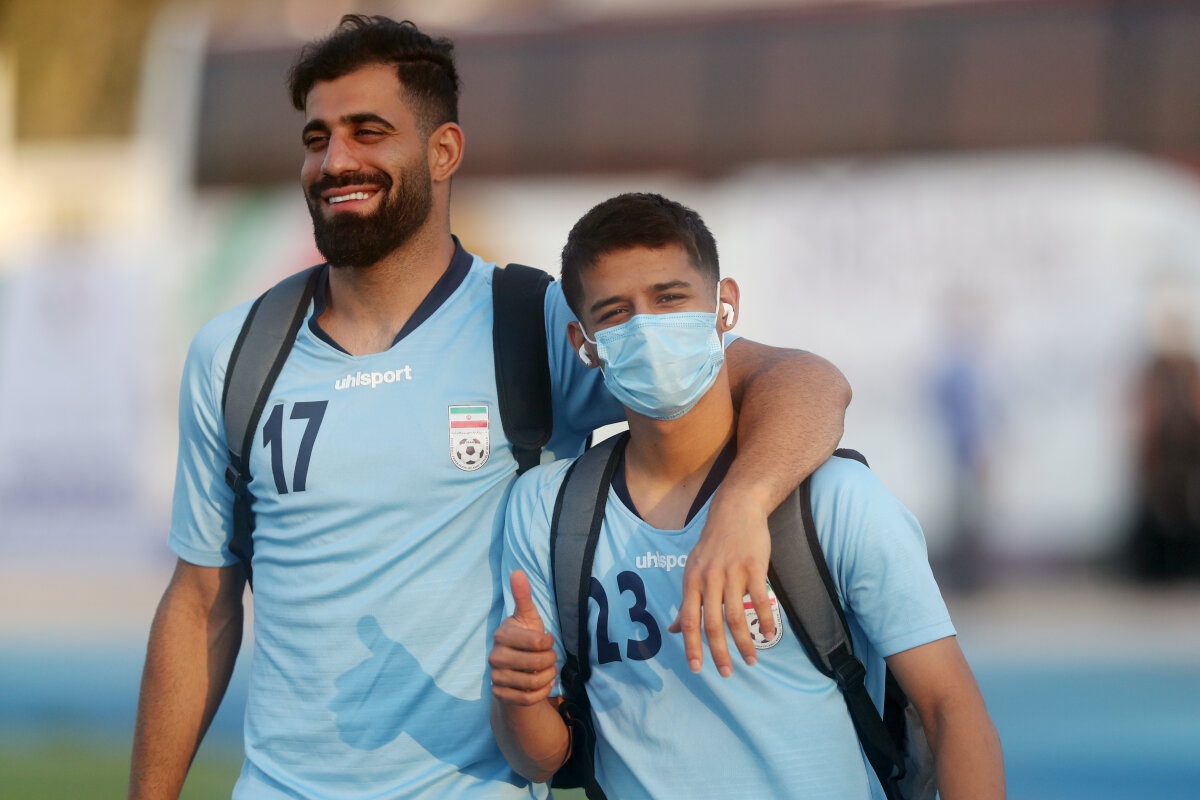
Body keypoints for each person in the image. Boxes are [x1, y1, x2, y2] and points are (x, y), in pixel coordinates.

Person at [128, 16, 851, 800]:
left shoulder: (533, 323)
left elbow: (805, 382)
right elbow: (200, 605)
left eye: (368, 132)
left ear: (443, 152)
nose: (336, 161)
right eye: (317, 138)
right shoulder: (235, 354)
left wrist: (744, 503)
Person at [490, 193, 1005, 799]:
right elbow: (542, 761)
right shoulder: (547, 510)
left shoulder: (833, 499)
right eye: (616, 312)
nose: (646, 328)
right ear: (583, 342)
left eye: (669, 298)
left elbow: (950, 710)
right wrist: (520, 696)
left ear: (724, 306)